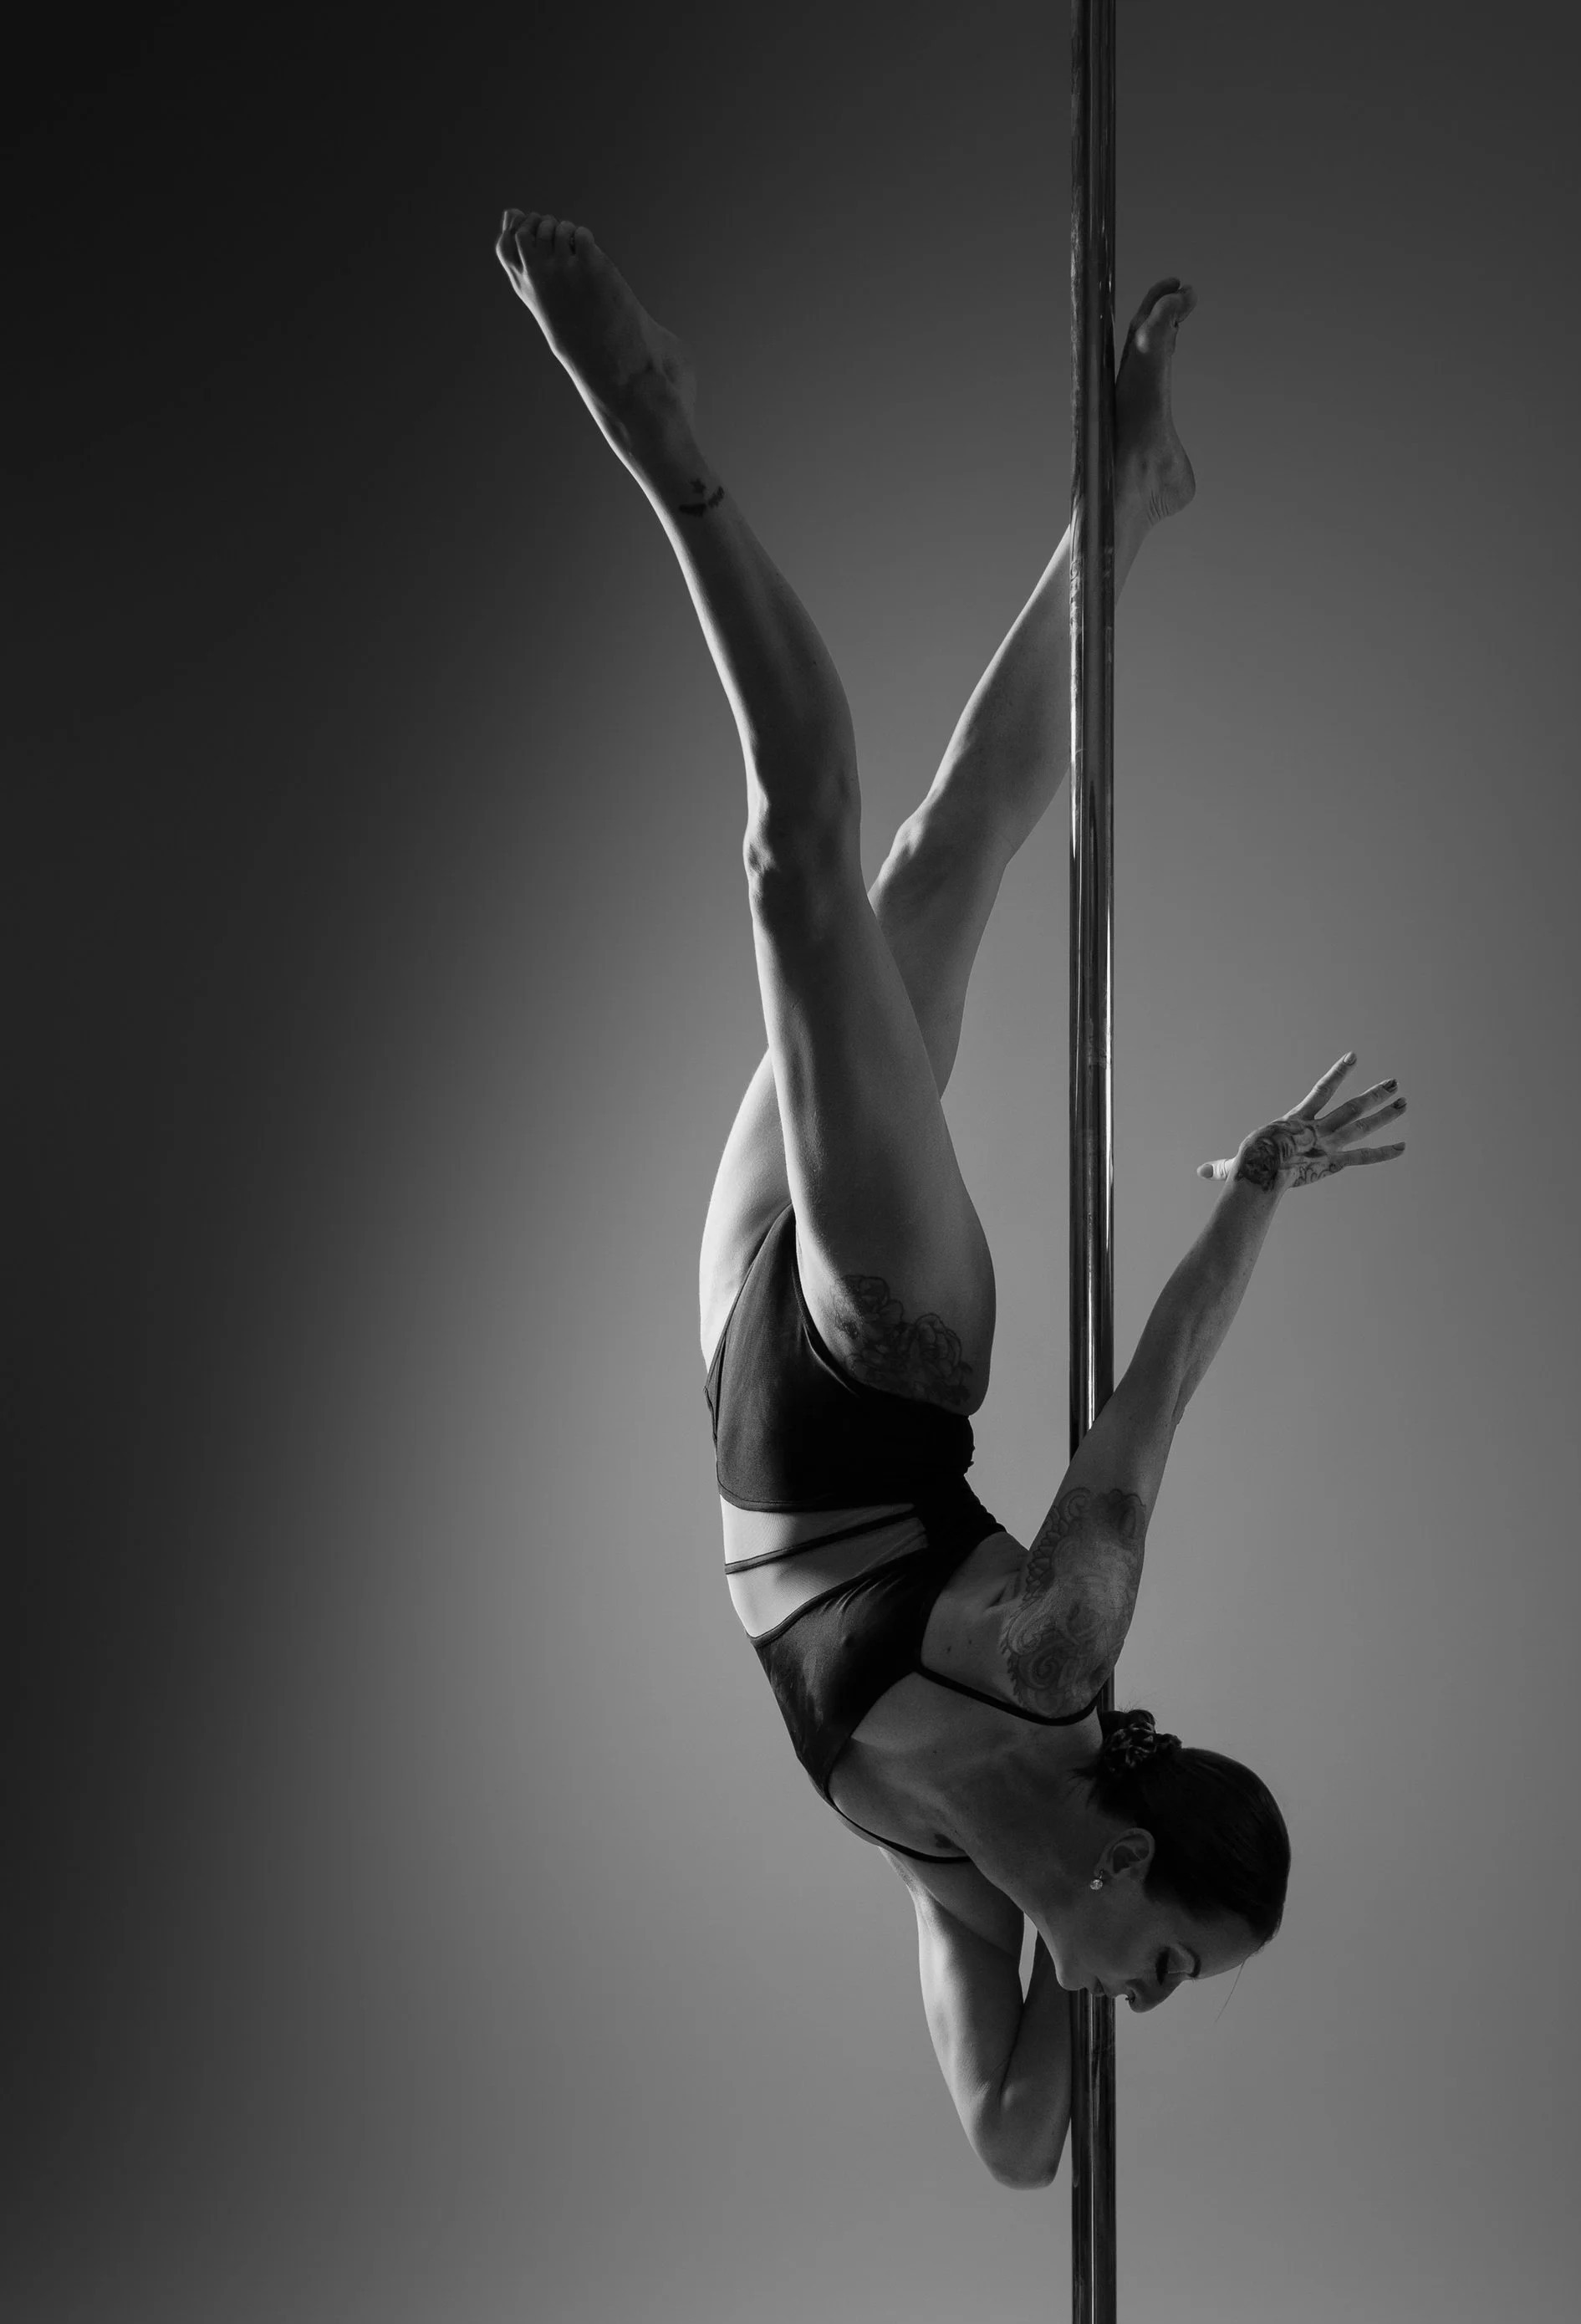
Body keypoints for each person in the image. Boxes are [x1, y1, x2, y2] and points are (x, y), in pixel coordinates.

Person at [497, 212, 1407, 2187]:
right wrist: (1252, 1188)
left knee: (936, 843)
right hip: (882, 1345)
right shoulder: (1060, 1650)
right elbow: (1147, 1414)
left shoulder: (960, 1879)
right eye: (1166, 1958)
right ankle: (659, 425)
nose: (1138, 1998)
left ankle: (1127, 500)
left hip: (733, 1349)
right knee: (801, 865)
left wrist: (1079, 1935)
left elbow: (1007, 2139)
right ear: (1127, 1849)